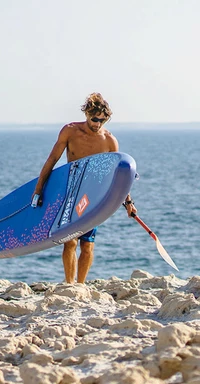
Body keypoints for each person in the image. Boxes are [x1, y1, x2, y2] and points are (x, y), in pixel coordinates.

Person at [32, 93, 137, 283]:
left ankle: (81, 284)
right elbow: (52, 160)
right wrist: (38, 190)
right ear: (86, 114)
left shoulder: (109, 141)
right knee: (70, 240)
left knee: (87, 245)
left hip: (92, 196)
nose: (98, 124)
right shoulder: (70, 131)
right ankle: (69, 284)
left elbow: (118, 176)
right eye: (94, 119)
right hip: (70, 193)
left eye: (102, 120)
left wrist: (128, 202)